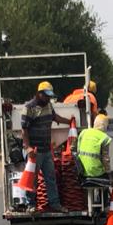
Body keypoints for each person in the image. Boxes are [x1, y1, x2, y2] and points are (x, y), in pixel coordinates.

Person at [22, 81, 71, 211]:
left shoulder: (49, 105)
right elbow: (24, 131)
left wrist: (69, 121)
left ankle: (55, 204)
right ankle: (31, 205)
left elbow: (55, 118)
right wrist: (28, 148)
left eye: (50, 96)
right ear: (39, 94)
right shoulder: (29, 108)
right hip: (35, 152)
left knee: (51, 178)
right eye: (46, 95)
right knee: (32, 179)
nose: (48, 98)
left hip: (46, 150)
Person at [76, 112, 113, 209]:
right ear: (105, 125)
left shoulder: (83, 133)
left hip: (83, 172)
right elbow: (105, 159)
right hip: (96, 173)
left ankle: (103, 203)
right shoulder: (104, 138)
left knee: (104, 175)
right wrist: (110, 177)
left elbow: (77, 152)